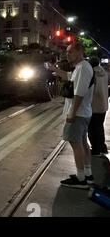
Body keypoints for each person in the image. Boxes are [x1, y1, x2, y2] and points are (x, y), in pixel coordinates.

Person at [48, 42, 95, 189]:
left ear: (79, 52)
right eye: (67, 52)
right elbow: (69, 77)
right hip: (84, 113)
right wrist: (54, 69)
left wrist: (72, 113)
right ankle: (87, 175)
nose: (67, 54)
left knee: (76, 145)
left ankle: (81, 179)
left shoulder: (82, 68)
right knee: (83, 144)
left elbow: (79, 93)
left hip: (78, 114)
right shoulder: (81, 68)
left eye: (70, 52)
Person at [88, 57, 109, 155]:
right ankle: (102, 146)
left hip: (94, 105)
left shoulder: (92, 74)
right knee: (100, 126)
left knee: (92, 128)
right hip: (103, 105)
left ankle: (95, 148)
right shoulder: (104, 73)